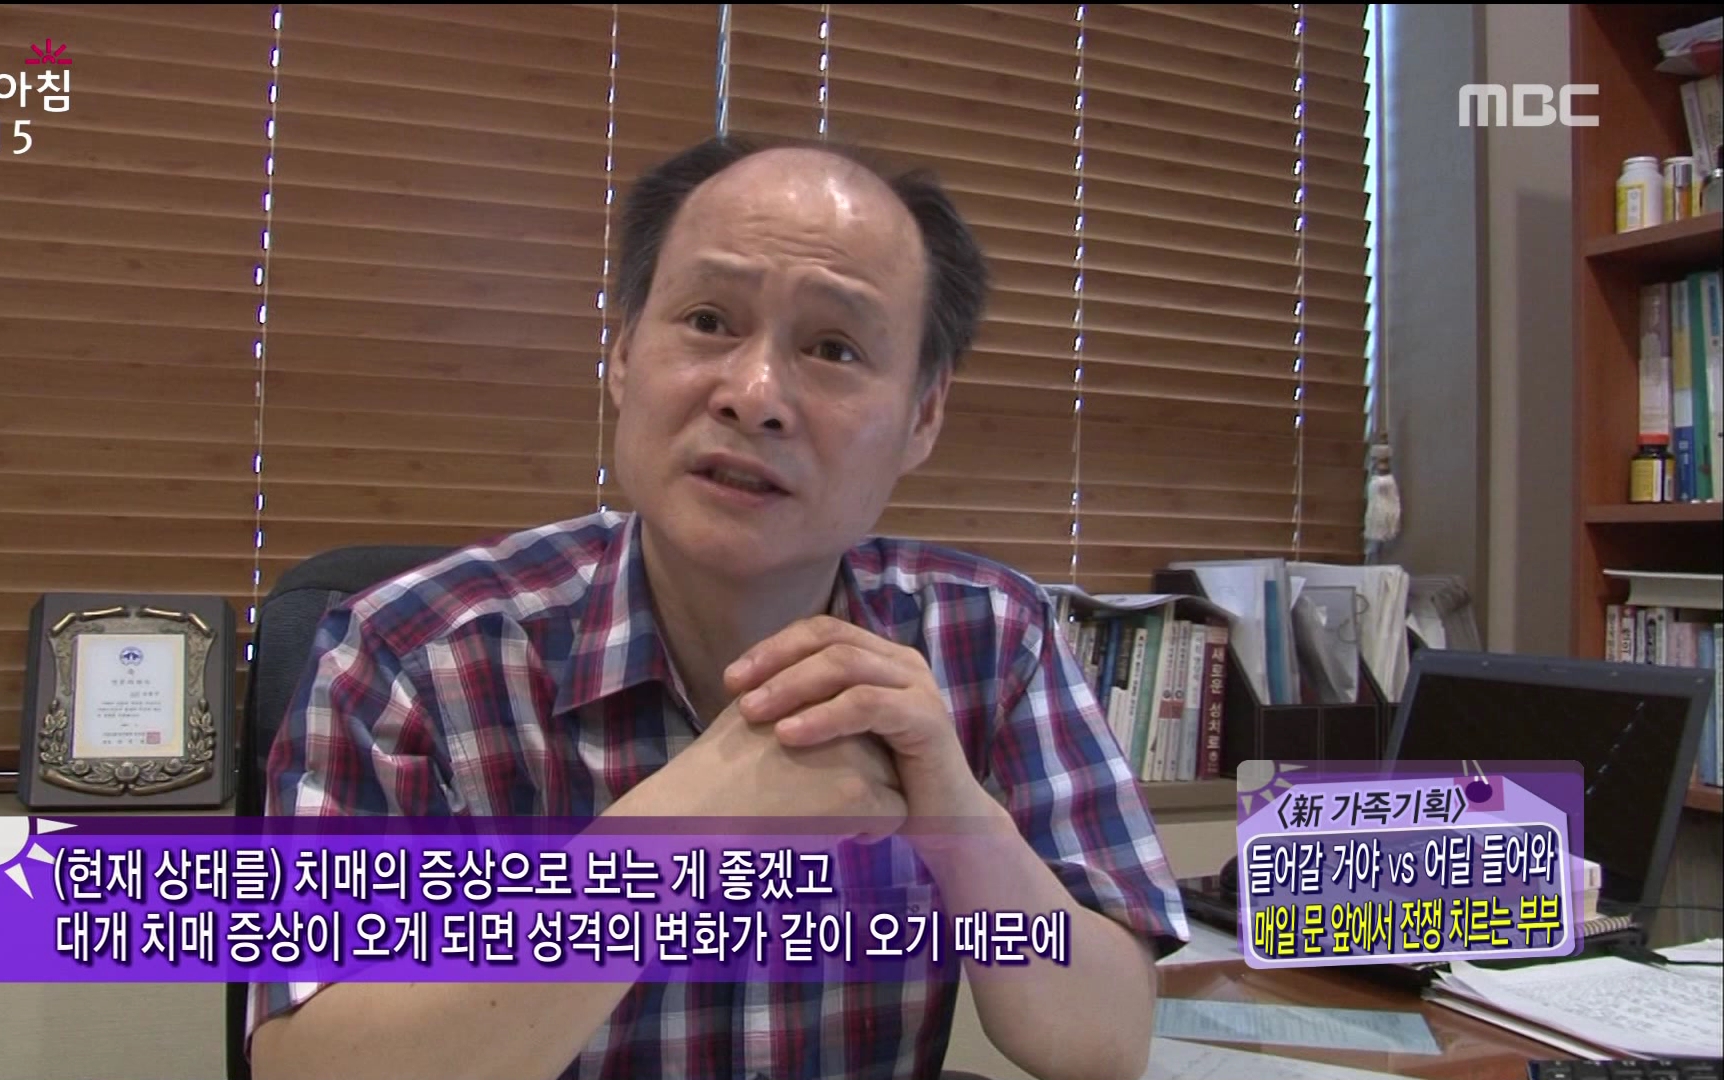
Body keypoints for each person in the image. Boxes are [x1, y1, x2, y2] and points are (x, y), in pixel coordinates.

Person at [248, 134, 1190, 1080]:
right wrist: (682, 832)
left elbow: (1107, 1042)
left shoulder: (991, 637)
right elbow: (308, 1064)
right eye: (707, 321)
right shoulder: (409, 656)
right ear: (624, 353)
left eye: (834, 347)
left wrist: (956, 815)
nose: (755, 395)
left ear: (923, 415)